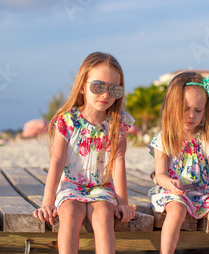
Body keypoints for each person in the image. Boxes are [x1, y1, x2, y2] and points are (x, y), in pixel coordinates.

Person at [33, 52, 136, 253]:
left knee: (104, 214)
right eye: (98, 86)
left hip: (102, 186)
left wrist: (122, 202)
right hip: (70, 185)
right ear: (82, 86)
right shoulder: (67, 121)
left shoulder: (117, 123)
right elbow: (56, 162)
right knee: (70, 213)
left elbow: (118, 162)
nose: (105, 95)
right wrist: (47, 201)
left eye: (113, 89)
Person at [148, 72, 209, 254]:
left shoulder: (208, 138)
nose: (191, 115)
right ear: (171, 106)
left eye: (198, 110)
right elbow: (160, 174)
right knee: (177, 210)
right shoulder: (164, 138)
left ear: (205, 110)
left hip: (201, 193)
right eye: (185, 108)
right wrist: (170, 183)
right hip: (173, 192)